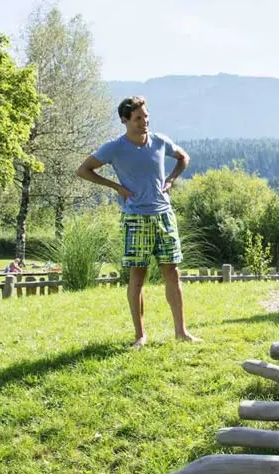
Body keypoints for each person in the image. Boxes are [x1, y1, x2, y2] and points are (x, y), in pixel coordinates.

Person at [76, 96, 200, 348]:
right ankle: (140, 336)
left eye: (146, 117)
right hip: (135, 218)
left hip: (164, 215)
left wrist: (171, 180)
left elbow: (183, 157)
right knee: (137, 277)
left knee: (172, 274)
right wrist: (115, 187)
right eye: (138, 118)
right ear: (124, 120)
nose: (144, 122)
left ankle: (181, 332)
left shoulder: (159, 141)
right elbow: (84, 170)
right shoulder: (114, 148)